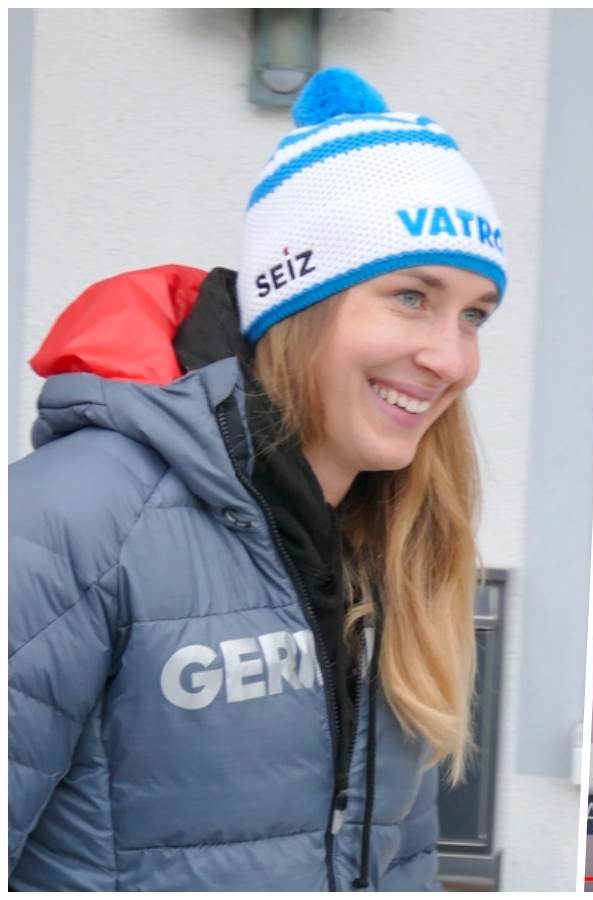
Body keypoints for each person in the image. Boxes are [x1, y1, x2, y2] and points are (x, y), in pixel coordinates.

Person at [9, 68, 505, 890]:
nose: (452, 358)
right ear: (297, 302)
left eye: (473, 314)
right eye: (411, 296)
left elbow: (402, 863)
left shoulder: (403, 545)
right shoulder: (71, 521)